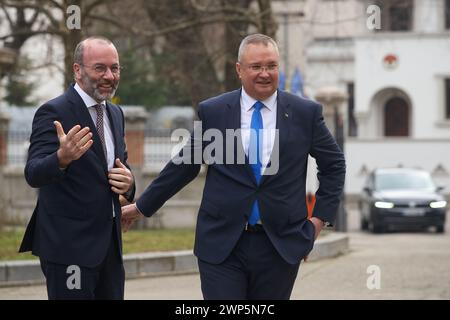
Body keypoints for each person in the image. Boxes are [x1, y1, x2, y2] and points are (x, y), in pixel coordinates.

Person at [122, 34, 346, 299]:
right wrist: (142, 206)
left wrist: (318, 221)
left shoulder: (304, 113)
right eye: (256, 67)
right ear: (239, 69)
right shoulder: (215, 112)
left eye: (271, 66)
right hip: (222, 244)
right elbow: (185, 165)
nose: (265, 73)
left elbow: (334, 165)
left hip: (280, 245)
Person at [19, 36, 135, 300]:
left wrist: (129, 183)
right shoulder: (53, 111)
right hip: (68, 249)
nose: (109, 76)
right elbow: (34, 173)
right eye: (100, 68)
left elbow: (120, 167)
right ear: (77, 69)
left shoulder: (115, 114)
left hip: (110, 249)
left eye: (114, 68)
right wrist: (62, 156)